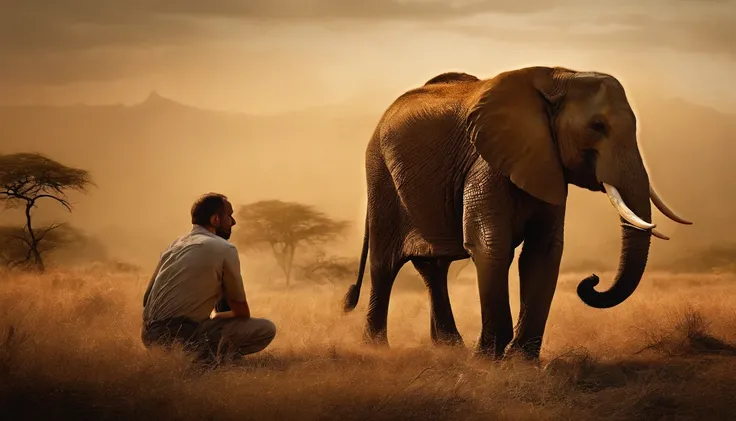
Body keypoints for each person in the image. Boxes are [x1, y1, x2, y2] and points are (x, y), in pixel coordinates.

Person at [141, 192, 276, 363]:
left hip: (149, 336)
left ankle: (208, 356)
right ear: (215, 220)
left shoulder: (174, 245)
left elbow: (146, 299)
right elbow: (241, 312)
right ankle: (210, 360)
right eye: (229, 215)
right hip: (182, 336)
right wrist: (214, 318)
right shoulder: (224, 248)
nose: (233, 222)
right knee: (266, 328)